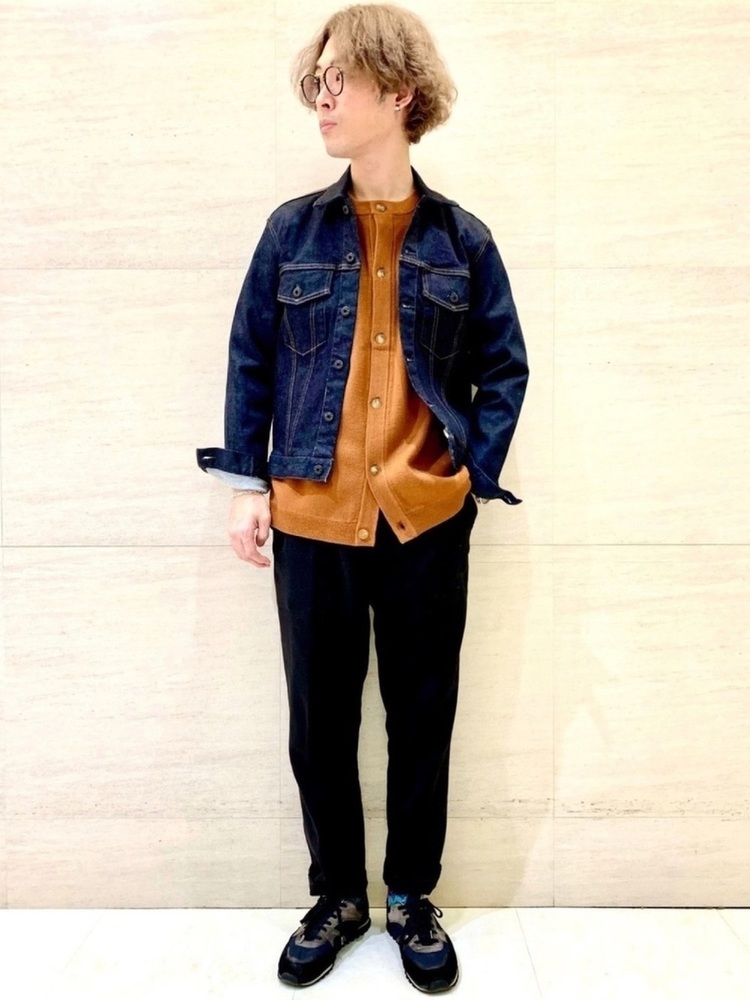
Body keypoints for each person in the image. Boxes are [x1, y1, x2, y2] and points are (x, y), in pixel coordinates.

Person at [197, 3, 528, 992]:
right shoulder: (290, 232)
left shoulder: (463, 242)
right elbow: (251, 359)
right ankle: (338, 894)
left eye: (341, 79)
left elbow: (505, 368)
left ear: (401, 91)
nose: (323, 98)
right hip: (311, 516)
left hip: (424, 519)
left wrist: (465, 476)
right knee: (319, 721)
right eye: (318, 81)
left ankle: (411, 896)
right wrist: (248, 484)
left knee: (423, 717)